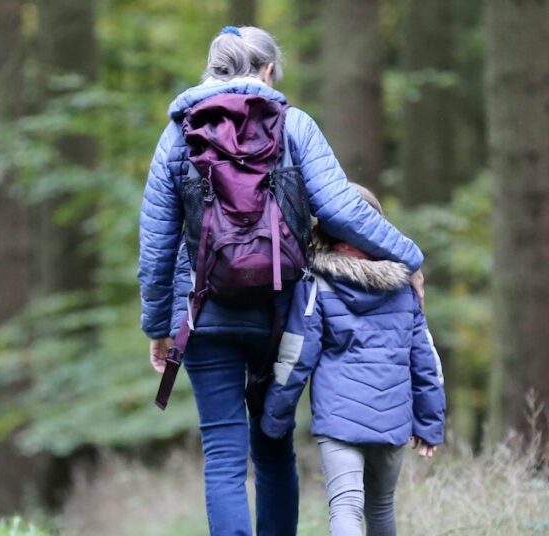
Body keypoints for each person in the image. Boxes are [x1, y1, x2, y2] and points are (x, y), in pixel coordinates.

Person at [138, 26, 426, 535]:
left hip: (204, 311)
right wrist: (409, 255)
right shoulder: (295, 126)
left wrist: (158, 325)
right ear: (268, 69)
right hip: (280, 312)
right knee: (272, 445)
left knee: (223, 451)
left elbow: (157, 242)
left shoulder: (179, 133)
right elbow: (341, 210)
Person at [261, 185, 446, 536]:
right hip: (393, 419)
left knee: (345, 506)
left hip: (339, 420)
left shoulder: (316, 284)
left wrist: (275, 415)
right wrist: (430, 422)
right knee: (381, 506)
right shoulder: (404, 287)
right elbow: (426, 361)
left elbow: (296, 355)